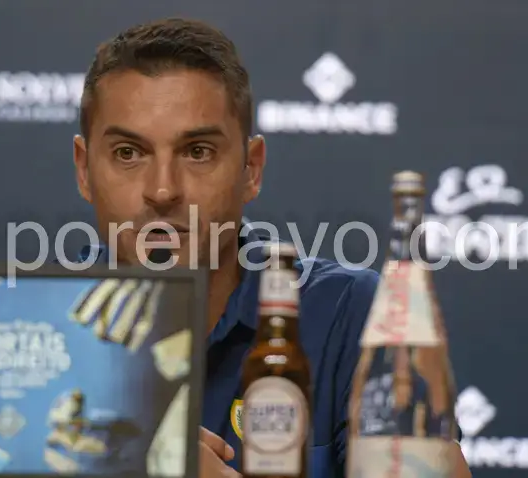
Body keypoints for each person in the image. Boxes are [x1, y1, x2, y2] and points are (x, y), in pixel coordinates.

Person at [70, 17, 472, 478]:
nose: (163, 190)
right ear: (84, 169)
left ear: (251, 169)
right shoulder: (19, 325)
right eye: (128, 153)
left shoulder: (349, 314)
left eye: (197, 151)